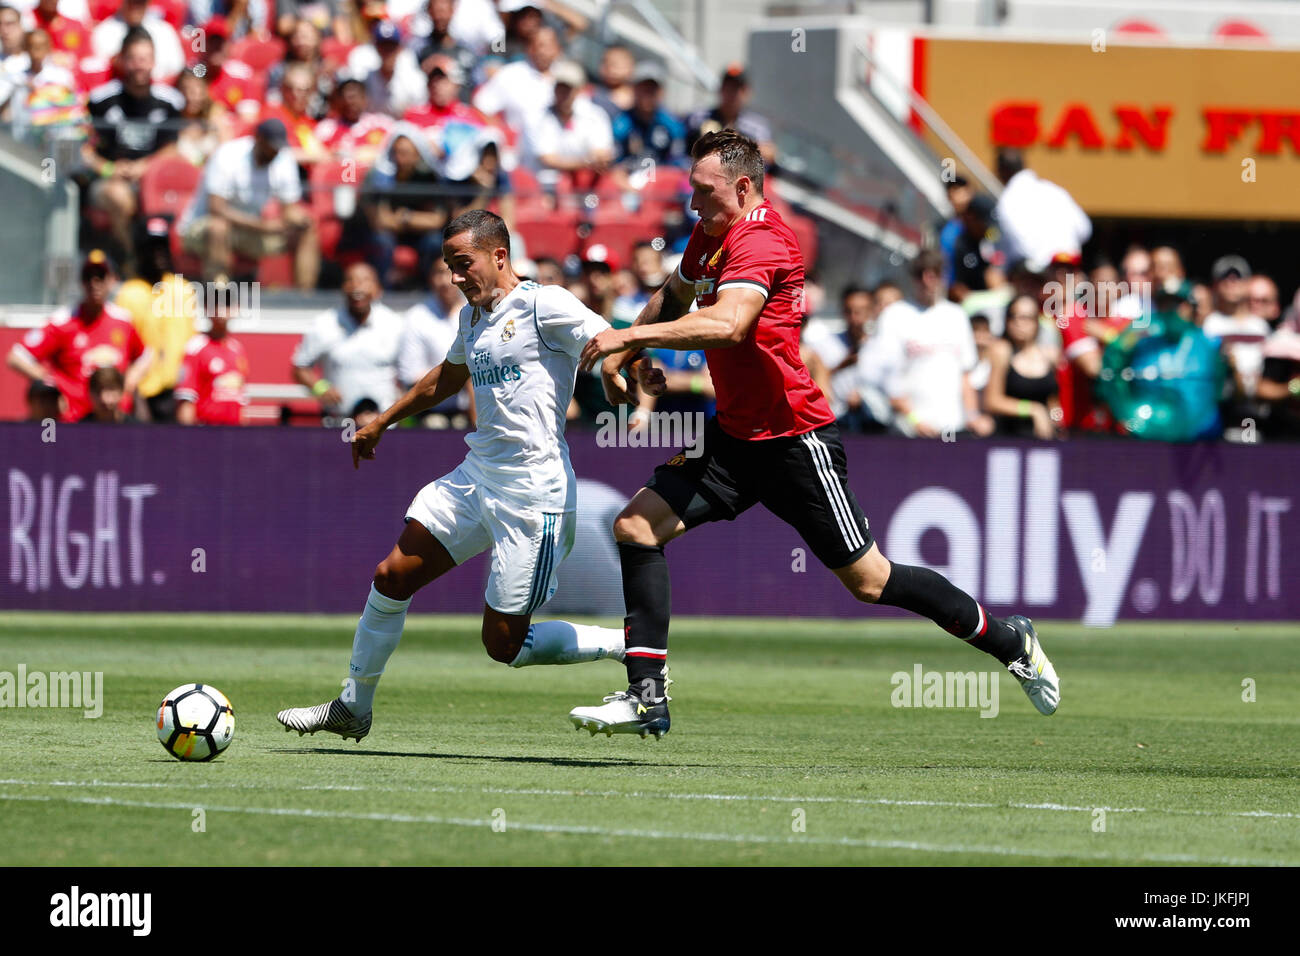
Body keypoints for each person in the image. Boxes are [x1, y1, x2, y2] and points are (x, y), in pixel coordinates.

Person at [570, 130, 1059, 738]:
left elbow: (729, 324)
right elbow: (675, 293)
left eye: (703, 193)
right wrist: (628, 354)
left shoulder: (765, 238)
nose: (694, 206)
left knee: (871, 582)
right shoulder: (713, 231)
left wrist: (627, 339)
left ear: (743, 187)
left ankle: (1008, 638)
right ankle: (647, 698)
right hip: (733, 437)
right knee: (636, 526)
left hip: (793, 439)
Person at [275, 209, 645, 741]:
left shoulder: (545, 303)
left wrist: (619, 367)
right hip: (477, 476)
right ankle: (353, 705)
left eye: (462, 263)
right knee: (392, 575)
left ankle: (626, 642)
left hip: (532, 494)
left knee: (504, 645)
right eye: (448, 265)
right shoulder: (471, 317)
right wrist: (383, 420)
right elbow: (446, 378)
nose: (454, 276)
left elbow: (609, 337)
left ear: (499, 256)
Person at [7, 250, 153, 422]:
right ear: (81, 283)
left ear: (112, 280)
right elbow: (17, 356)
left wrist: (130, 380)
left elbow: (146, 355)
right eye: (88, 277)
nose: (94, 283)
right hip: (75, 420)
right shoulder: (64, 322)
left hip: (116, 420)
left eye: (100, 276)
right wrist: (48, 380)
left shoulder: (123, 321)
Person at [83, 27, 184, 275]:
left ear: (154, 62)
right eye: (134, 59)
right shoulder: (100, 100)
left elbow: (173, 148)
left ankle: (170, 270)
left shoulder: (171, 101)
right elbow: (85, 148)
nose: (140, 66)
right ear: (122, 60)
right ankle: (130, 267)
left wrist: (144, 167)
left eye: (145, 59)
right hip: (109, 179)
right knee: (119, 197)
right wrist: (110, 169)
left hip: (154, 179)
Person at [179, 118, 321, 291]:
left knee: (306, 230)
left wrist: (299, 221)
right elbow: (216, 209)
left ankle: (304, 298)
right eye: (272, 146)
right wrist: (262, 226)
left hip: (249, 231)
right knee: (219, 228)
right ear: (258, 139)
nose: (275, 152)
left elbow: (289, 209)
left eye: (278, 147)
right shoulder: (228, 155)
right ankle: (219, 296)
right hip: (201, 227)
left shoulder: (283, 159)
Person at [879, 250, 995, 439]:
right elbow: (889, 378)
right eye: (921, 273)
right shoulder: (895, 315)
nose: (928, 280)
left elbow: (965, 375)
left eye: (935, 273)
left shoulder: (957, 315)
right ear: (913, 277)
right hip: (908, 430)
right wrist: (914, 419)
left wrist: (973, 416)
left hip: (952, 428)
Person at [291, 261, 404, 418]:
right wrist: (321, 388)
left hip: (385, 423)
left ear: (378, 289)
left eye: (364, 280)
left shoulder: (395, 325)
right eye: (350, 280)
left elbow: (408, 371)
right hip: (338, 422)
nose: (357, 286)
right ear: (343, 288)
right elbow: (300, 368)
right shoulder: (324, 324)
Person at [992, 148, 1091, 271]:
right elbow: (1084, 229)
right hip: (1070, 267)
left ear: (1001, 171)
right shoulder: (1054, 190)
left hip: (1040, 274)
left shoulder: (1007, 201)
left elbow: (1018, 244)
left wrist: (1043, 262)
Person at [982, 294, 1060, 439]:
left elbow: (1052, 399)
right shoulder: (1001, 351)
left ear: (1036, 322)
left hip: (1043, 439)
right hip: (1008, 438)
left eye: (1026, 317)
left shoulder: (1048, 355)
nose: (1018, 322)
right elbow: (992, 401)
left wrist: (1055, 419)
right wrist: (1033, 410)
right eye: (1013, 316)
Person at [175, 278, 249, 426]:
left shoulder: (238, 349)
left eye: (226, 303)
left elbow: (241, 403)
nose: (220, 309)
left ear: (236, 308)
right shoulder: (195, 348)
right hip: (206, 434)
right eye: (215, 303)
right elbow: (186, 401)